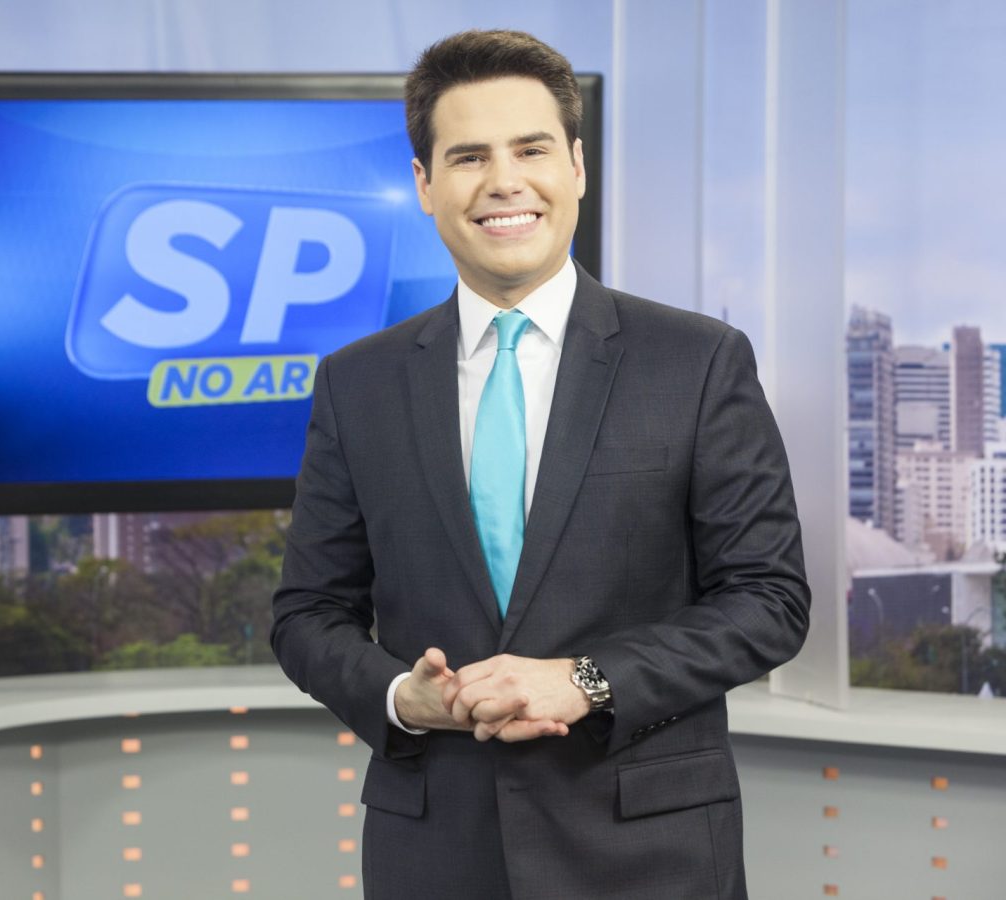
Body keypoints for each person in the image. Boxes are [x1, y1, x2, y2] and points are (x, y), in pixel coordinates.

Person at [271, 29, 809, 900]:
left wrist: (587, 681)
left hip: (651, 854)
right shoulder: (356, 383)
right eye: (469, 157)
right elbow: (307, 615)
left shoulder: (697, 361)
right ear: (424, 184)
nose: (504, 182)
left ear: (577, 166)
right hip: (436, 854)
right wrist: (404, 695)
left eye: (531, 149)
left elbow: (768, 600)